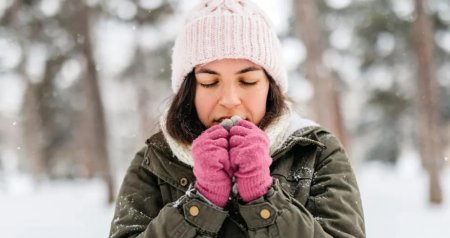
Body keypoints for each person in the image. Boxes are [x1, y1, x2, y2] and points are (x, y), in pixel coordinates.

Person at [109, 0, 365, 237]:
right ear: (190, 90)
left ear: (270, 86)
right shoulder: (154, 160)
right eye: (209, 82)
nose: (229, 99)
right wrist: (201, 203)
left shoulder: (316, 151)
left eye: (248, 81)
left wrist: (263, 198)